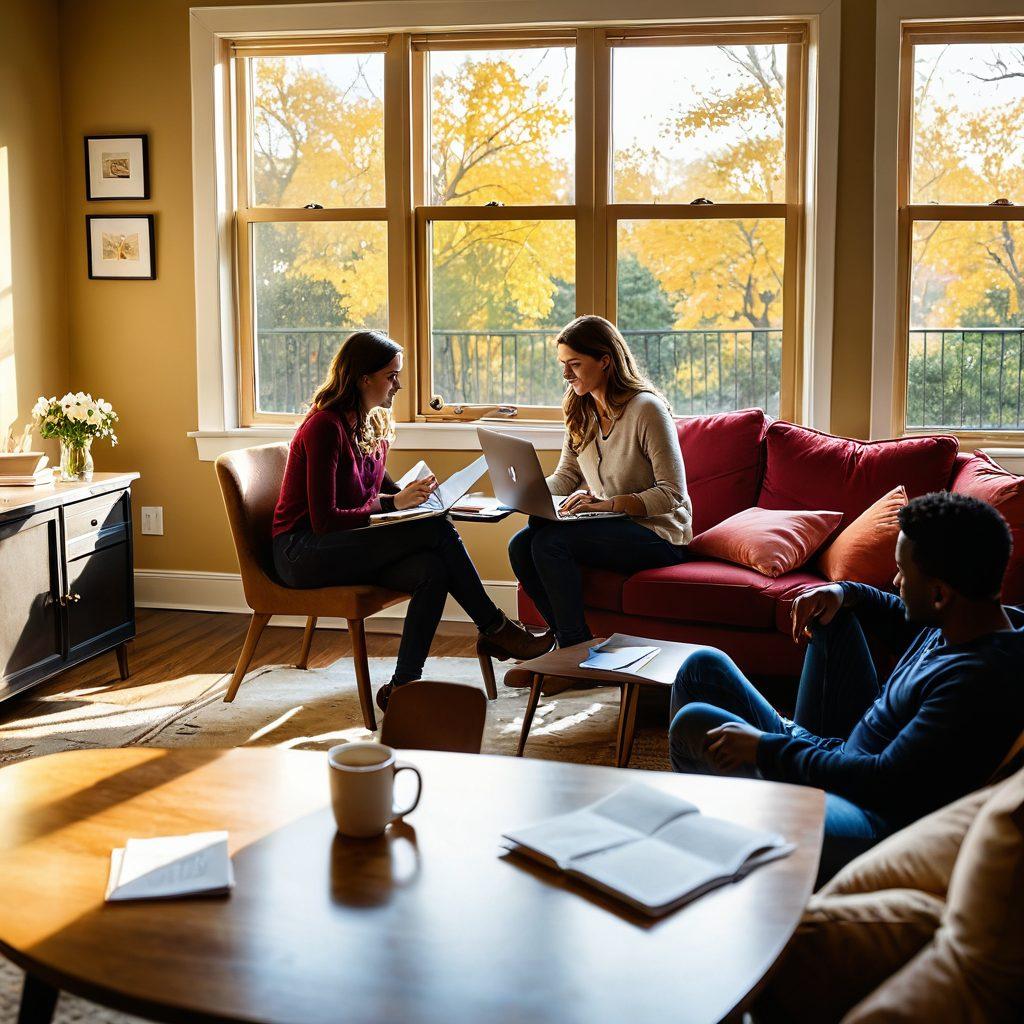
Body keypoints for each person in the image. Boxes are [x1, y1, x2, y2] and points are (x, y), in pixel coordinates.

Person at [667, 491, 1024, 885]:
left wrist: (764, 748)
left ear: (939, 594)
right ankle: (727, 828)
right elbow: (897, 613)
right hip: (839, 754)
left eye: (903, 572)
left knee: (694, 724)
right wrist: (843, 591)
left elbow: (882, 779)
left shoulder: (974, 682)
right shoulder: (975, 617)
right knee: (703, 667)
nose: (895, 581)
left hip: (869, 817)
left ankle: (713, 859)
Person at [272, 330, 551, 712]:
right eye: (391, 375)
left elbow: (379, 491)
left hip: (343, 544)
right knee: (435, 532)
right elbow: (325, 520)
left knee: (432, 569)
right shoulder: (325, 426)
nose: (398, 385)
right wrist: (395, 504)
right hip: (303, 552)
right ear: (362, 377)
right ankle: (496, 629)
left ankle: (403, 685)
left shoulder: (371, 425)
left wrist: (421, 497)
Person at [507, 315, 692, 659]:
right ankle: (571, 643)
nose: (566, 374)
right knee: (521, 544)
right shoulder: (581, 409)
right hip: (611, 526)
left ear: (605, 360)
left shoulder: (646, 409)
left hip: (660, 536)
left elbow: (672, 493)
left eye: (574, 364)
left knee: (550, 541)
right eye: (563, 364)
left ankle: (574, 653)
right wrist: (524, 493)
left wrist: (606, 505)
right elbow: (565, 476)